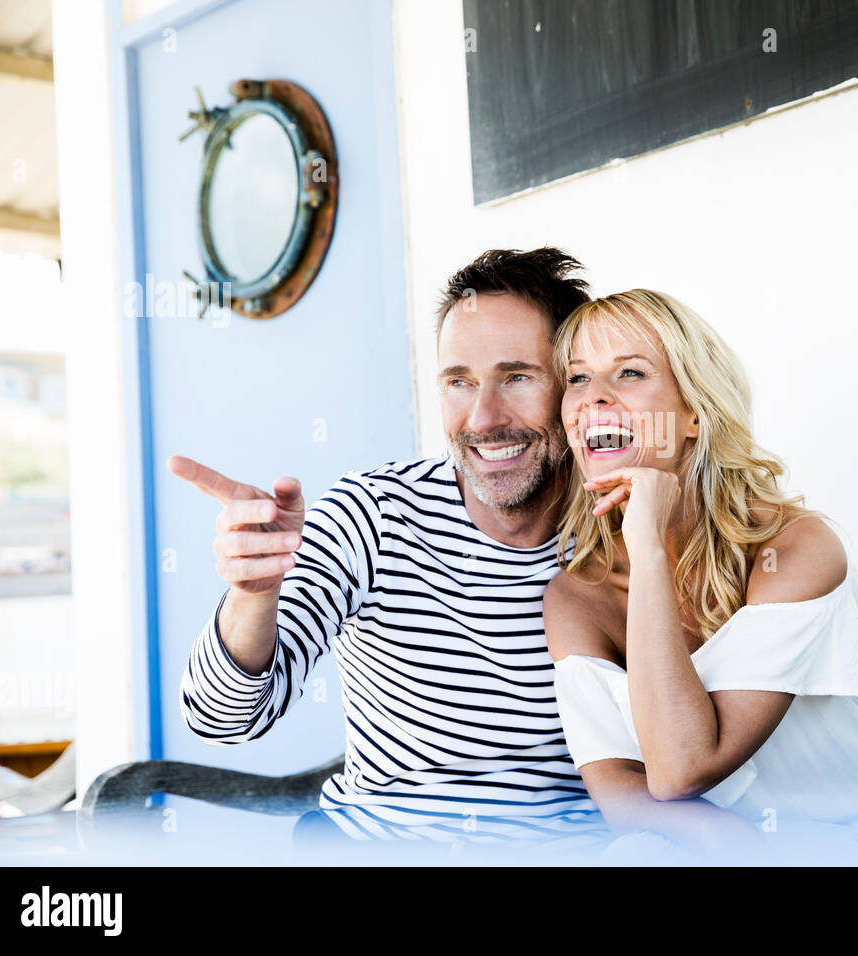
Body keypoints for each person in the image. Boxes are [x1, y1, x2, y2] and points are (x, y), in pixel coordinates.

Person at [173, 247, 612, 850]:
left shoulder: (625, 533)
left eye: (517, 377)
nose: (483, 418)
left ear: (573, 388)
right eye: (459, 382)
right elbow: (219, 721)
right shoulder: (372, 516)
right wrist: (253, 595)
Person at [544, 289, 858, 859]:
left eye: (629, 372)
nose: (593, 398)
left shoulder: (797, 547)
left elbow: (680, 770)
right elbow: (619, 784)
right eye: (577, 379)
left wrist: (648, 548)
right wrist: (728, 840)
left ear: (695, 415)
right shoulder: (577, 594)